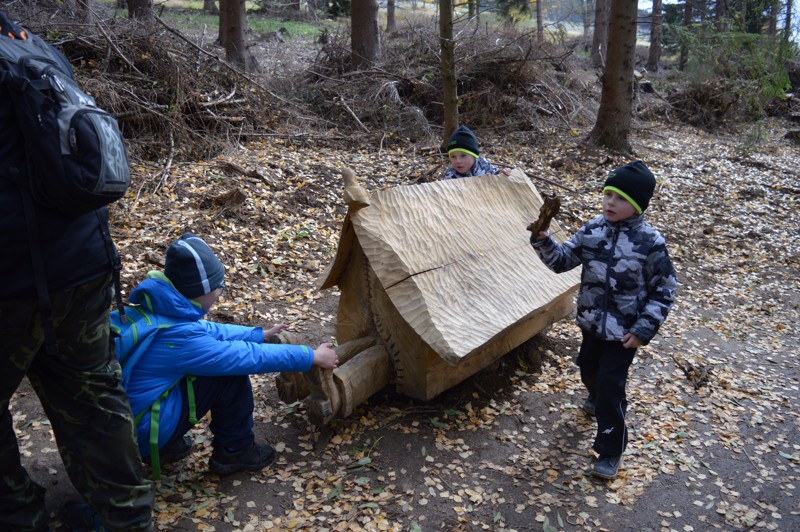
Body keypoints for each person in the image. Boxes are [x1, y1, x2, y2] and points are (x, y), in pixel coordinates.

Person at [0, 11, 154, 532]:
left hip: (11, 284)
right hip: (85, 263)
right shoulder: (31, 45)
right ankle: (129, 520)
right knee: (93, 398)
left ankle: (19, 515)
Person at [111, 233, 339, 478]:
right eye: (217, 288)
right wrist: (311, 356)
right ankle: (235, 451)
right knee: (228, 374)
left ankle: (168, 445)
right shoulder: (180, 337)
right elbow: (246, 357)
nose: (219, 293)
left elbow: (210, 330)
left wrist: (258, 334)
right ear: (200, 292)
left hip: (125, 423)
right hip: (140, 434)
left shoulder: (160, 308)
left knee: (198, 372)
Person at [529, 161, 677, 480]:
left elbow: (664, 290)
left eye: (620, 198)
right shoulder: (592, 230)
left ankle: (610, 450)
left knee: (612, 387)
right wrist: (542, 239)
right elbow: (561, 260)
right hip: (591, 324)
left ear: (637, 204)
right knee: (588, 369)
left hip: (624, 333)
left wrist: (642, 330)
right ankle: (594, 396)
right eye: (607, 194)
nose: (610, 202)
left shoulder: (650, 243)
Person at [443, 125, 511, 179]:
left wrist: (503, 173)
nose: (458, 161)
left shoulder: (482, 163)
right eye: (453, 156)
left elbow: (496, 173)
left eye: (463, 155)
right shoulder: (450, 175)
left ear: (474, 156)